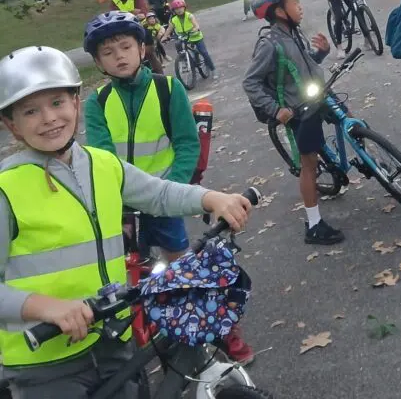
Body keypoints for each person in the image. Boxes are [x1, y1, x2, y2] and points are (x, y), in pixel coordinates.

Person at [0, 45, 254, 397]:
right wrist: (48, 308)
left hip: (113, 340)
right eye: (31, 110)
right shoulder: (6, 187)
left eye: (57, 102)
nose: (49, 118)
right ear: (11, 125)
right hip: (46, 363)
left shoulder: (101, 164)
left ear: (76, 103)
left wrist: (211, 198)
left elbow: (158, 193)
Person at [82, 12, 253, 364]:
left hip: (164, 202)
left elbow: (188, 144)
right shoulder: (96, 102)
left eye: (126, 46)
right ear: (98, 62)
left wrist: (171, 193)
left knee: (187, 275)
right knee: (123, 280)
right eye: (109, 52)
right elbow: (100, 159)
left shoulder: (167, 88)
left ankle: (222, 333)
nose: (119, 56)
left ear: (142, 49)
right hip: (122, 208)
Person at [242, 0, 344, 246]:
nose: (300, 7)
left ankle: (340, 168)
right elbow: (250, 82)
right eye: (294, 2)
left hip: (315, 98)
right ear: (279, 10)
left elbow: (301, 65)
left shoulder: (293, 34)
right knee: (308, 165)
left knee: (346, 123)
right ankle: (313, 224)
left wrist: (320, 54)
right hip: (298, 111)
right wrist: (277, 111)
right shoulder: (270, 43)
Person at [163, 0, 219, 82]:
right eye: (176, 9)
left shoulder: (189, 16)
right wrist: (165, 36)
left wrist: (195, 29)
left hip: (196, 37)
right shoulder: (174, 20)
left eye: (180, 8)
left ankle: (213, 69)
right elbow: (169, 29)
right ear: (174, 10)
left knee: (204, 52)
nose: (178, 10)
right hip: (186, 38)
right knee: (178, 45)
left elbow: (196, 25)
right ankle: (185, 61)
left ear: (184, 7)